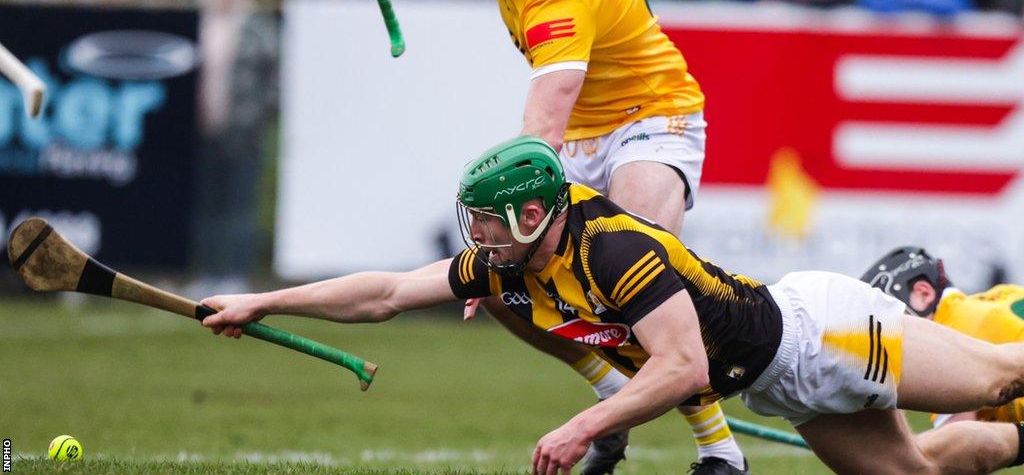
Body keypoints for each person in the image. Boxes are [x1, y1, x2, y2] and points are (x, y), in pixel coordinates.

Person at [202, 135, 1024, 475]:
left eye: (488, 221)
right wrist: (263, 301)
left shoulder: (614, 248)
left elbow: (683, 367)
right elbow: (384, 292)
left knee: (998, 377)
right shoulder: (516, 262)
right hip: (778, 385)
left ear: (532, 213)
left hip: (826, 336)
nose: (477, 235)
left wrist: (584, 426)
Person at [347, 0, 730, 473]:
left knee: (629, 276)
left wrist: (511, 226)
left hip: (649, 116)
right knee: (501, 284)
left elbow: (539, 134)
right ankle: (610, 394)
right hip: (581, 131)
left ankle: (719, 451)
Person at [188, 0, 278, 300]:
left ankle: (234, 273)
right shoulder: (200, 25)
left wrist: (255, 118)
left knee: (239, 206)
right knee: (206, 207)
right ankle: (207, 271)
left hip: (244, 133)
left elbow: (274, 80)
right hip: (203, 129)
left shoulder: (257, 28)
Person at [861, 246, 1024, 427]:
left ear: (923, 294)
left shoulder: (951, 336)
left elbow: (958, 440)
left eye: (893, 317)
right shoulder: (1004, 294)